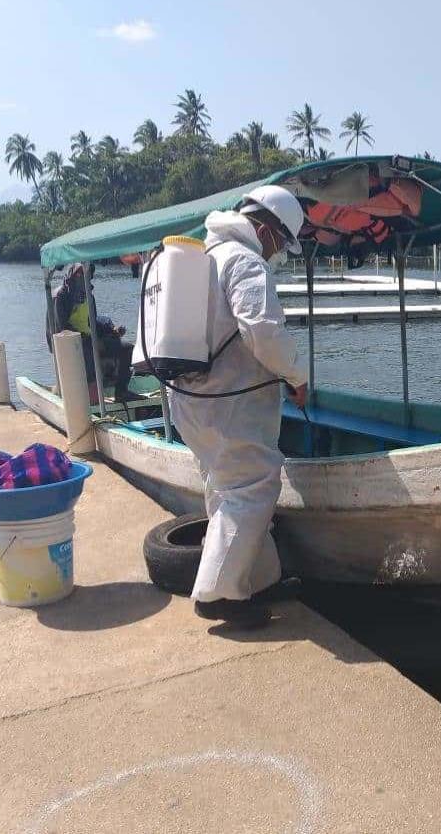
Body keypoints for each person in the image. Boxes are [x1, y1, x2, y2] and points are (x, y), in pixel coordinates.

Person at [169, 186, 309, 627]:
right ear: (266, 230)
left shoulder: (206, 256)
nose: (279, 255)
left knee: (227, 489)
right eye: (282, 245)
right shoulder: (244, 261)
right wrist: (299, 376)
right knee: (252, 488)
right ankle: (219, 595)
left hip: (188, 400)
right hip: (227, 403)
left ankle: (258, 579)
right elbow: (264, 333)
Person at [46, 264, 136, 403]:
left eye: (86, 274)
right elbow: (61, 326)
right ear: (71, 275)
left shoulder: (89, 295)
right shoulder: (61, 295)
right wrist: (84, 338)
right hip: (69, 342)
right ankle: (92, 399)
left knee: (127, 348)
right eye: (78, 274)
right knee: (88, 347)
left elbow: (93, 321)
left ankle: (121, 391)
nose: (82, 277)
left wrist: (112, 329)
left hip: (89, 338)